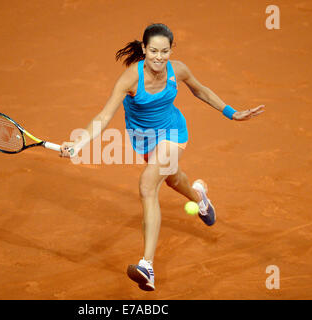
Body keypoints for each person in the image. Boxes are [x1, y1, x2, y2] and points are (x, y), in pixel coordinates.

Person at [60, 23, 265, 291]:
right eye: (153, 50)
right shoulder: (130, 79)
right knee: (172, 179)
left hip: (172, 132)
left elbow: (199, 90)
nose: (159, 57)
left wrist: (231, 112)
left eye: (164, 51)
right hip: (143, 140)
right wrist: (79, 142)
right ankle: (199, 198)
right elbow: (104, 116)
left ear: (171, 50)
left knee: (148, 185)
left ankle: (147, 265)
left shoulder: (177, 69)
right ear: (144, 49)